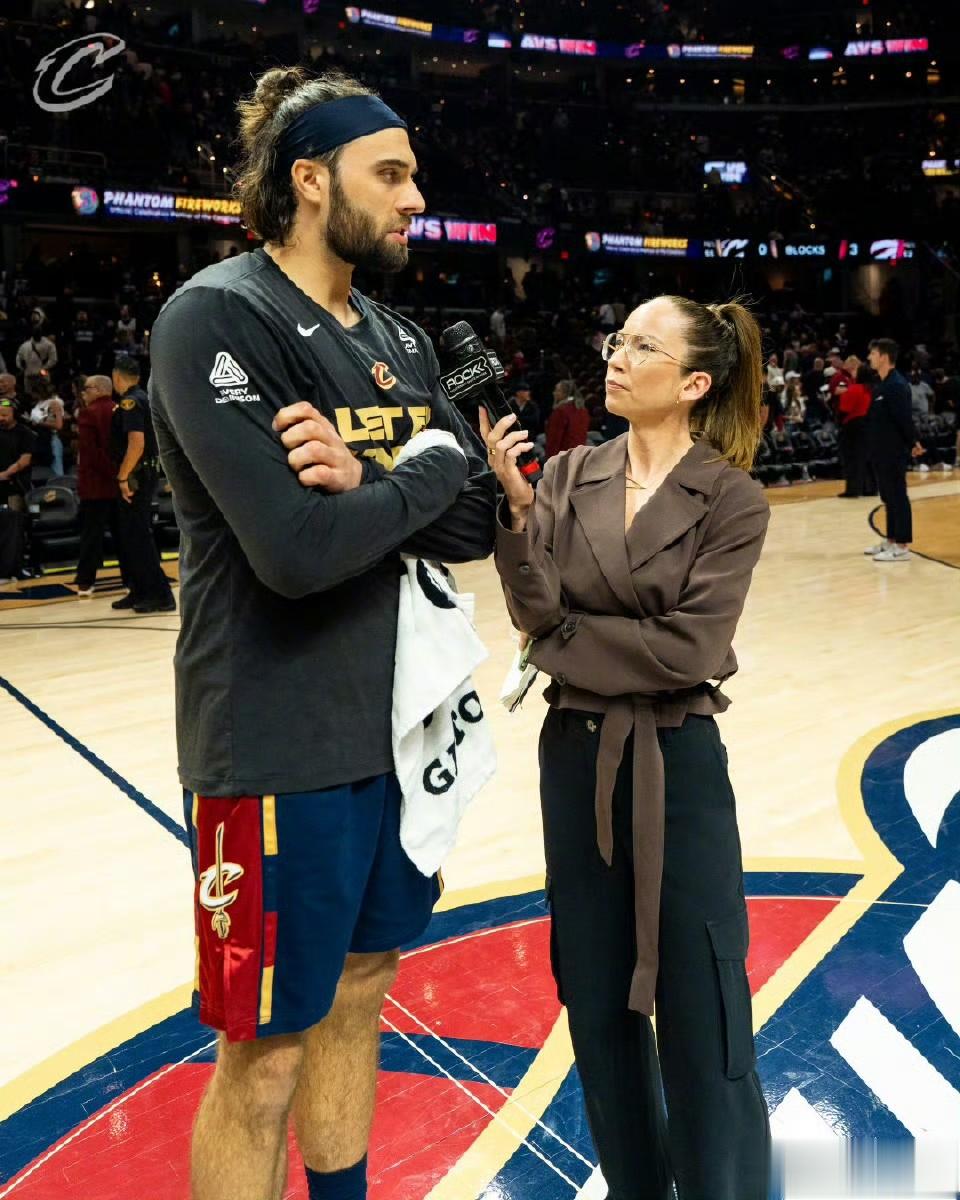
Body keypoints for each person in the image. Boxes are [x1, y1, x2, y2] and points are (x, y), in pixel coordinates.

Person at [147, 65, 495, 1200]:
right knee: (263, 1057)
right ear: (310, 179)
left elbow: (476, 524)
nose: (414, 199)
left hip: (397, 730)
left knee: (360, 994)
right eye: (389, 174)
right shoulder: (219, 319)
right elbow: (294, 552)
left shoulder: (398, 337)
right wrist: (424, 467)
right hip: (273, 741)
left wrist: (376, 483)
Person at [483, 295, 771, 1200]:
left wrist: (565, 641)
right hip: (574, 759)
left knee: (704, 1002)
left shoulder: (732, 497)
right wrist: (519, 517)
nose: (617, 355)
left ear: (693, 384)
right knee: (596, 995)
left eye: (644, 346)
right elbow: (533, 610)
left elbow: (689, 651)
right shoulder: (569, 473)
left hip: (677, 762)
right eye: (619, 339)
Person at [109, 354, 176, 612]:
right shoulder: (142, 397)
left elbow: (136, 443)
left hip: (135, 476)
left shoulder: (131, 402)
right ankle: (139, 590)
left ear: (117, 376)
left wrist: (123, 476)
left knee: (139, 537)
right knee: (130, 537)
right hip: (141, 473)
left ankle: (160, 595)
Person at [864, 338, 924, 563]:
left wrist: (914, 442)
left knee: (898, 496)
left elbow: (904, 419)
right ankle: (890, 540)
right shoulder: (882, 383)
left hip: (893, 451)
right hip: (880, 451)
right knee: (888, 497)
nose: (869, 357)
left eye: (873, 353)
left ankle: (902, 545)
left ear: (883, 357)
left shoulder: (897, 385)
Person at [74, 375, 124, 597]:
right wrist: (121, 475)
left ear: (97, 389)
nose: (83, 393)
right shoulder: (119, 409)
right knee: (124, 534)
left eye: (86, 389)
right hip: (120, 482)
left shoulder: (89, 413)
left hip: (96, 486)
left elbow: (91, 452)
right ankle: (131, 578)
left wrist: (111, 474)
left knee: (92, 536)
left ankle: (86, 582)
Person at [0, 392, 36, 583]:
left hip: (15, 486)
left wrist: (5, 474)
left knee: (16, 528)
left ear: (14, 413)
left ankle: (17, 567)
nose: (1, 418)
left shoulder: (25, 433)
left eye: (4, 414)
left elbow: (25, 459)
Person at [836, 364, 875, 498]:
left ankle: (853, 489)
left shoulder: (854, 389)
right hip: (869, 424)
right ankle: (870, 488)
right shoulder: (872, 390)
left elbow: (844, 410)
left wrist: (839, 423)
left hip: (853, 425)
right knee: (868, 458)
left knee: (852, 458)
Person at [26, 375, 66, 476]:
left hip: (52, 440)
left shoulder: (54, 403)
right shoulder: (38, 403)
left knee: (57, 471)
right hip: (40, 440)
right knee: (46, 473)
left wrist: (39, 422)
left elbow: (59, 425)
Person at [545, 378, 590, 458]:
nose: (554, 393)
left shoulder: (560, 411)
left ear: (564, 394)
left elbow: (554, 440)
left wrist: (550, 459)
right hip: (579, 456)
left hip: (563, 457)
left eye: (557, 390)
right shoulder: (583, 410)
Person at [511, 379, 542, 443]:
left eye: (528, 391)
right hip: (513, 436)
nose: (528, 393)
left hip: (529, 436)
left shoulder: (532, 405)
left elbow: (535, 420)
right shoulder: (511, 404)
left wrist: (518, 418)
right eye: (525, 391)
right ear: (518, 393)